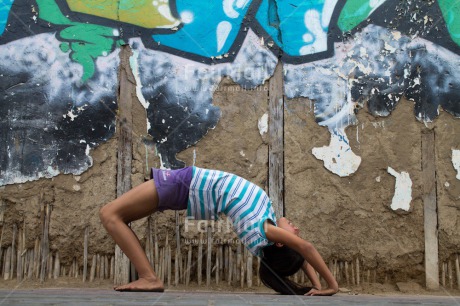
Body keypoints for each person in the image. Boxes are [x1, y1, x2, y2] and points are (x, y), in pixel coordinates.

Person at [99, 166, 338, 295]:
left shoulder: (265, 230)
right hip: (185, 187)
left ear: (281, 243)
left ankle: (149, 278)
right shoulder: (266, 227)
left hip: (184, 183)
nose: (296, 228)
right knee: (117, 216)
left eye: (294, 234)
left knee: (109, 214)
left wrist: (331, 286)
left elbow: (305, 248)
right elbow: (301, 256)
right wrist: (316, 286)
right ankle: (148, 276)